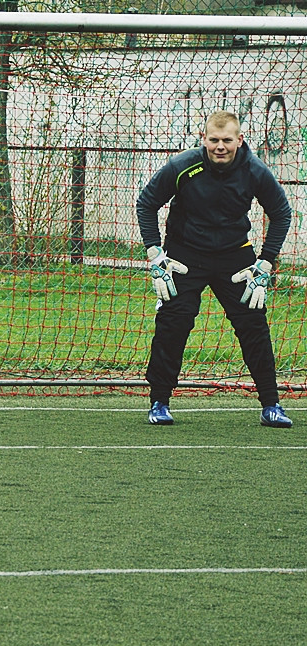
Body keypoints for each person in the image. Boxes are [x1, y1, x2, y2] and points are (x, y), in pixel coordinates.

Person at [136, 110, 293, 428]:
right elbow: (146, 203)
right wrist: (155, 254)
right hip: (184, 255)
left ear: (240, 140)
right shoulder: (182, 166)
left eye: (227, 140)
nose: (220, 146)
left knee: (253, 325)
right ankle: (159, 402)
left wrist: (265, 263)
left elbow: (281, 212)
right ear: (204, 139)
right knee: (173, 323)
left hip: (235, 257)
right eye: (214, 140)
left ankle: (271, 405)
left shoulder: (254, 170)